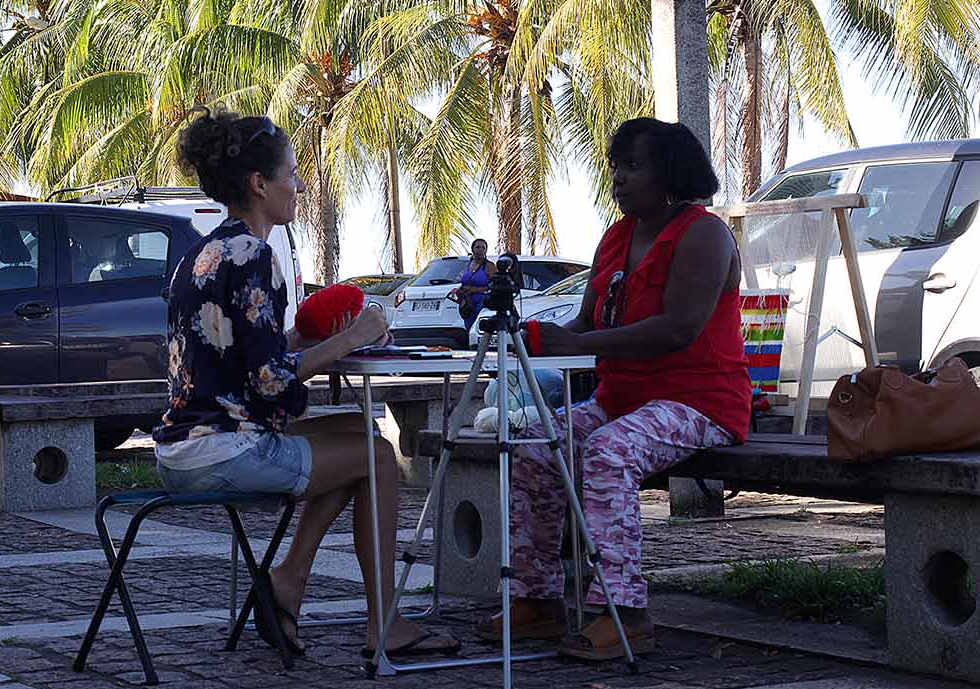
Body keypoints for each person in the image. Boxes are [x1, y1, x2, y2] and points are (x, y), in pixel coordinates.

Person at [153, 107, 458, 659]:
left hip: (182, 446)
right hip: (224, 450)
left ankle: (290, 578)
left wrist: (296, 338)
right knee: (379, 457)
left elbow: (238, 359)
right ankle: (378, 620)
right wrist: (352, 337)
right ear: (259, 184)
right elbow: (270, 384)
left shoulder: (202, 251)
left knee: (360, 432)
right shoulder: (255, 254)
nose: (298, 186)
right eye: (291, 175)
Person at [476, 118, 751, 660]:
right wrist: (537, 337)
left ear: (668, 173)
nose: (619, 180)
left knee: (607, 454)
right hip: (622, 399)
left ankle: (624, 612)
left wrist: (580, 340)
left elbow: (679, 329)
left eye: (633, 167)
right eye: (615, 168)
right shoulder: (616, 238)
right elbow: (585, 322)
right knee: (536, 446)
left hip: (699, 402)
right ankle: (537, 601)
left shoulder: (704, 233)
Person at [456, 238, 496, 331]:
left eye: (483, 248)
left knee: (478, 329)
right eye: (478, 247)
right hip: (468, 302)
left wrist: (475, 290)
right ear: (472, 249)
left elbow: (494, 286)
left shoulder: (489, 266)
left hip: (481, 303)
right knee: (469, 329)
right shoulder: (468, 264)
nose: (480, 250)